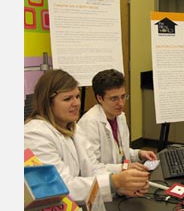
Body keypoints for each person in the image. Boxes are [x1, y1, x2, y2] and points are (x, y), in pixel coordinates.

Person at [24, 69, 150, 203]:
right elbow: (60, 187)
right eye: (67, 99)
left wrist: (120, 188)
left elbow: (93, 168)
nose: (76, 103)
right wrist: (114, 182)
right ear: (47, 103)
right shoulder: (34, 135)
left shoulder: (73, 128)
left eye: (77, 96)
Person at [78, 69, 157, 174]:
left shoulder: (119, 116)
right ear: (100, 98)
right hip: (103, 185)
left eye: (123, 97)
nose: (120, 103)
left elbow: (120, 153)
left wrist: (139, 154)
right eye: (114, 98)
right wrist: (124, 168)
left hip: (120, 178)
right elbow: (92, 168)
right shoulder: (89, 123)